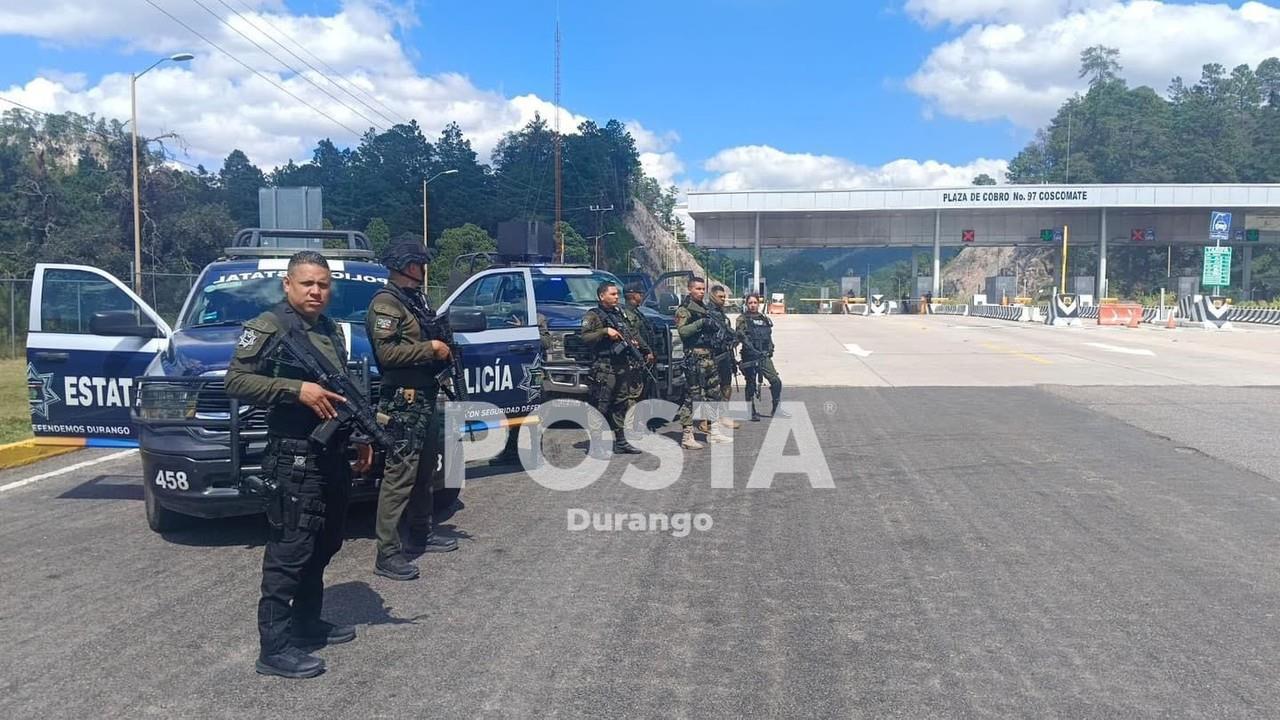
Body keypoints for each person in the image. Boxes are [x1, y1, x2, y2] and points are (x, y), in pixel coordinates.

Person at [226, 250, 370, 679]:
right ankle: (273, 648)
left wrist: (364, 436)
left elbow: (345, 395)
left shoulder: (329, 329)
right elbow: (235, 380)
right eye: (307, 283)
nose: (316, 291)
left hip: (330, 455)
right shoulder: (269, 326)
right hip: (293, 456)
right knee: (289, 551)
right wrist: (295, 390)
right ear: (287, 285)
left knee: (324, 543)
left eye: (323, 285)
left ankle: (307, 623)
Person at [365, 240, 458, 582]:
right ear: (405, 265)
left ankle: (421, 532)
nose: (423, 269)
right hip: (403, 401)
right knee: (399, 476)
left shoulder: (414, 301)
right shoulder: (386, 304)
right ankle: (387, 552)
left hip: (424, 396)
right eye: (420, 263)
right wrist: (430, 347)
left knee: (424, 471)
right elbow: (387, 354)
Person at [580, 281, 647, 456]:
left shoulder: (619, 313)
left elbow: (630, 331)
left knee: (621, 403)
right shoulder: (593, 316)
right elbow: (585, 337)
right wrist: (604, 332)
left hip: (621, 365)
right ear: (602, 296)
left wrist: (633, 343)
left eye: (617, 294)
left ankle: (621, 442)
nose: (617, 297)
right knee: (600, 405)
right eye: (613, 294)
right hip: (604, 367)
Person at [674, 276, 733, 449]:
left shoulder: (705, 309)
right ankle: (687, 435)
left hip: (709, 358)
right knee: (692, 397)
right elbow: (683, 332)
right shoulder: (684, 310)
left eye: (702, 289)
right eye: (697, 289)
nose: (701, 292)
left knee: (714, 394)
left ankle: (714, 432)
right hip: (694, 358)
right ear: (689, 289)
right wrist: (701, 323)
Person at [735, 293, 790, 421]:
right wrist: (752, 349)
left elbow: (768, 336)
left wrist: (770, 348)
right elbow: (740, 336)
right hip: (750, 356)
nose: (753, 305)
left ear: (758, 304)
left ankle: (776, 408)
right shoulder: (742, 319)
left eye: (755, 303)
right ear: (746, 304)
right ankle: (751, 411)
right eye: (750, 303)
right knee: (751, 383)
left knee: (776, 381)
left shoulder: (764, 318)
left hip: (764, 356)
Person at [708, 284, 740, 429]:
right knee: (712, 388)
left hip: (725, 355)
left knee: (726, 386)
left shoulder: (722, 315)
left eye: (724, 297)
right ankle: (710, 418)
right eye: (720, 297)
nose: (723, 300)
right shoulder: (707, 313)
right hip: (713, 355)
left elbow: (729, 332)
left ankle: (723, 415)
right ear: (713, 296)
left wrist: (734, 339)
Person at [622, 284, 657, 398]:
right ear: (633, 295)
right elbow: (634, 334)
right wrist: (647, 350)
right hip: (637, 357)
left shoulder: (636, 311)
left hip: (644, 357)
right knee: (636, 392)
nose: (642, 296)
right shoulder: (628, 313)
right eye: (640, 294)